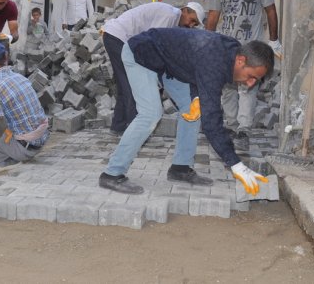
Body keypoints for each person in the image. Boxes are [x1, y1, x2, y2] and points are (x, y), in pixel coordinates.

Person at [98, 27, 274, 196]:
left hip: (168, 63)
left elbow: (194, 66)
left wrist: (196, 97)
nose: (251, 84)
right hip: (140, 53)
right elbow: (212, 121)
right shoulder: (214, 62)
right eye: (251, 76)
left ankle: (180, 168)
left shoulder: (231, 52)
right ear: (241, 61)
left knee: (192, 109)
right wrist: (236, 164)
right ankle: (112, 174)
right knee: (150, 114)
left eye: (256, 80)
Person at [206, 0, 283, 139]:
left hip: (251, 48)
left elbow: (271, 11)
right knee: (228, 87)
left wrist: (273, 41)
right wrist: (207, 43)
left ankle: (244, 128)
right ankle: (231, 125)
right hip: (226, 47)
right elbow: (213, 17)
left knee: (248, 87)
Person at [102, 2, 202, 134]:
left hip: (114, 36)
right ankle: (135, 134)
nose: (191, 25)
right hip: (119, 37)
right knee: (134, 87)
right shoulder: (170, 15)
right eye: (192, 20)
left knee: (124, 85)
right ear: (185, 11)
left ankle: (118, 127)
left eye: (195, 24)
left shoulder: (172, 20)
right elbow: (152, 44)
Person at [0, 41, 49, 171]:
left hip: (23, 150)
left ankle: (2, 160)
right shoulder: (20, 77)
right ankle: (8, 153)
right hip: (40, 141)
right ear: (5, 58)